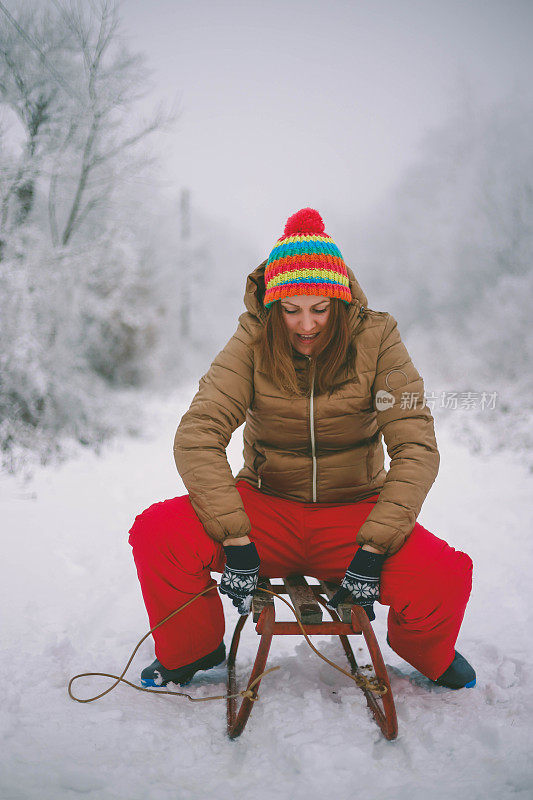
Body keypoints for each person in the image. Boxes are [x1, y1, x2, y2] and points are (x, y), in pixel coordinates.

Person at [128, 207, 475, 691]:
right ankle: (191, 646)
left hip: (354, 517)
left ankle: (424, 650)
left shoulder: (379, 338)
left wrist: (376, 545)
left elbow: (415, 442)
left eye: (319, 308)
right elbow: (199, 432)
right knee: (156, 533)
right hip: (265, 511)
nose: (305, 324)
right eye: (290, 310)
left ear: (340, 300)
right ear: (273, 307)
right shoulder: (251, 340)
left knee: (447, 574)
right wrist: (234, 536)